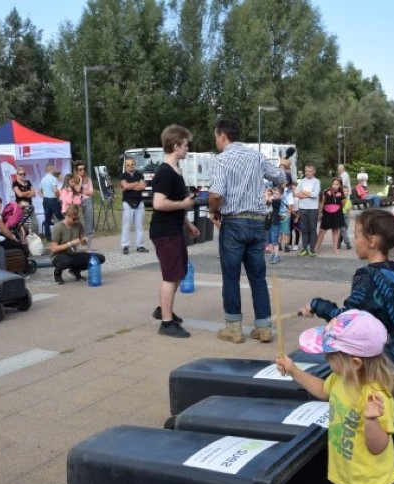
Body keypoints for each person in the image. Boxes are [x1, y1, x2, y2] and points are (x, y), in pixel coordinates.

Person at [276, 310, 394, 484]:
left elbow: (378, 447)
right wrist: (293, 371)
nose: (325, 357)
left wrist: (370, 421)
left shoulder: (375, 397)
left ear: (355, 362)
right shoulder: (341, 378)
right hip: (349, 480)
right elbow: (322, 390)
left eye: (331, 355)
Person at [301, 209, 394, 366]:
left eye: (357, 236)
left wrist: (317, 305)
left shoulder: (367, 278)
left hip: (378, 361)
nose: (355, 240)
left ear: (371, 241)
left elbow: (349, 321)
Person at [209, 118, 285, 343]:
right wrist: (282, 169)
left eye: (216, 137)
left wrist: (213, 211)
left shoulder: (221, 160)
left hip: (233, 222)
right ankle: (263, 328)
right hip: (257, 222)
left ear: (222, 136)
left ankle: (234, 328)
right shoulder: (258, 156)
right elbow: (280, 177)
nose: (216, 141)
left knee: (231, 276)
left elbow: (216, 194)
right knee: (258, 277)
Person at [151, 124, 199, 338]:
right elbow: (159, 203)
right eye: (185, 145)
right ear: (176, 145)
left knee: (179, 272)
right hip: (164, 231)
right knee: (171, 275)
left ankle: (164, 309)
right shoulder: (165, 172)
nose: (187, 148)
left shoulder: (175, 170)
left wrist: (187, 223)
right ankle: (166, 323)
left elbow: (178, 201)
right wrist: (183, 206)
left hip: (174, 228)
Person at [50, 204, 105, 284]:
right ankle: (57, 275)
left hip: (72, 254)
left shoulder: (79, 225)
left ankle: (75, 270)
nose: (76, 221)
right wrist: (70, 244)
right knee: (66, 260)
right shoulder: (58, 227)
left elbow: (82, 240)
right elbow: (54, 248)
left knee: (99, 258)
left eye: (78, 219)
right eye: (74, 219)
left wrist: (84, 240)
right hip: (58, 256)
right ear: (67, 216)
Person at [0, 194, 30, 267]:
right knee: (20, 246)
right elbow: (5, 231)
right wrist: (13, 237)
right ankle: (25, 267)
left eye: (0, 203)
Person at [120, 157, 148, 255]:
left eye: (132, 164)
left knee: (139, 225)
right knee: (126, 225)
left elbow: (143, 186)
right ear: (125, 166)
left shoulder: (139, 174)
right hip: (127, 202)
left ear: (134, 164)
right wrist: (136, 183)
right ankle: (125, 246)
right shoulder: (123, 176)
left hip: (139, 202)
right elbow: (125, 186)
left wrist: (129, 186)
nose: (130, 166)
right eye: (128, 165)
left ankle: (140, 246)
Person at [313, 177, 346, 255]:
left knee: (335, 231)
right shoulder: (326, 192)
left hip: (336, 214)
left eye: (337, 184)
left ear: (340, 185)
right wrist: (319, 213)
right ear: (331, 184)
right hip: (327, 214)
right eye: (334, 184)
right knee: (322, 231)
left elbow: (343, 204)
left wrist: (337, 208)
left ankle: (335, 248)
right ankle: (317, 247)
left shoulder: (341, 194)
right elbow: (322, 203)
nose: (335, 186)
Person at [294, 163, 321, 256]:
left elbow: (315, 194)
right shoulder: (301, 181)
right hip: (302, 208)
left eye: (310, 171)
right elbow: (297, 193)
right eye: (306, 171)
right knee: (304, 229)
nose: (308, 173)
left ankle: (312, 249)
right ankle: (304, 248)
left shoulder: (316, 181)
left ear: (314, 171)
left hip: (313, 208)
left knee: (312, 229)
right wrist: (308, 194)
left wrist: (304, 193)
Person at [38, 163, 62, 242]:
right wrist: (58, 198)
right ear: (51, 169)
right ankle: (66, 231)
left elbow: (39, 191)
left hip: (45, 200)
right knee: (60, 217)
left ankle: (48, 238)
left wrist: (44, 196)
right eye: (54, 168)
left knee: (47, 219)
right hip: (53, 199)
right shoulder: (53, 179)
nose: (54, 170)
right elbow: (55, 190)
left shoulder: (43, 179)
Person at [74, 161, 95, 250]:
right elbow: (76, 189)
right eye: (80, 169)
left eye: (84, 169)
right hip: (78, 203)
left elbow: (91, 193)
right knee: (76, 224)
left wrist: (81, 190)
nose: (82, 171)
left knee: (89, 225)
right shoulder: (73, 180)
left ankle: (89, 249)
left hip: (87, 201)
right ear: (76, 171)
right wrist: (80, 180)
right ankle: (76, 248)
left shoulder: (88, 179)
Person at [267, 186, 284, 264]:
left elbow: (267, 199)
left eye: (277, 193)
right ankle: (273, 254)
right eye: (274, 193)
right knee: (270, 240)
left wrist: (267, 192)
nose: (274, 195)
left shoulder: (278, 201)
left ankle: (276, 256)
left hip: (275, 223)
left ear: (281, 195)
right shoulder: (274, 200)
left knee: (274, 241)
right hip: (271, 222)